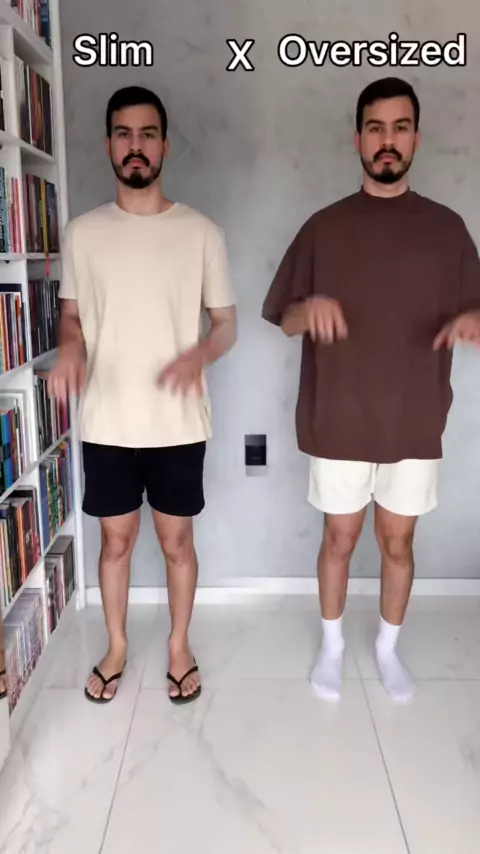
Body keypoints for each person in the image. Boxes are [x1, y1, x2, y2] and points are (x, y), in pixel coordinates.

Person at [261, 77, 480, 704]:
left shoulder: (447, 229)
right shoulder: (324, 227)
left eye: (400, 127)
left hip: (414, 419)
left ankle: (387, 649)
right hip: (340, 417)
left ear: (416, 137)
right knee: (339, 538)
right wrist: (309, 308)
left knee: (398, 543)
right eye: (376, 128)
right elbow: (283, 316)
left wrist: (471, 321)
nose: (388, 140)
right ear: (358, 138)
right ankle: (332, 648)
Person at [48, 86, 237, 705]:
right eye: (124, 134)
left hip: (178, 422)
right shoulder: (82, 233)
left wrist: (200, 354)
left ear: (164, 144)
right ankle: (117, 646)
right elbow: (71, 316)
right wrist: (71, 347)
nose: (136, 146)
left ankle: (179, 646)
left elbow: (225, 324)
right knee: (117, 542)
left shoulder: (202, 232)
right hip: (107, 420)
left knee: (178, 543)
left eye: (147, 134)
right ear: (109, 144)